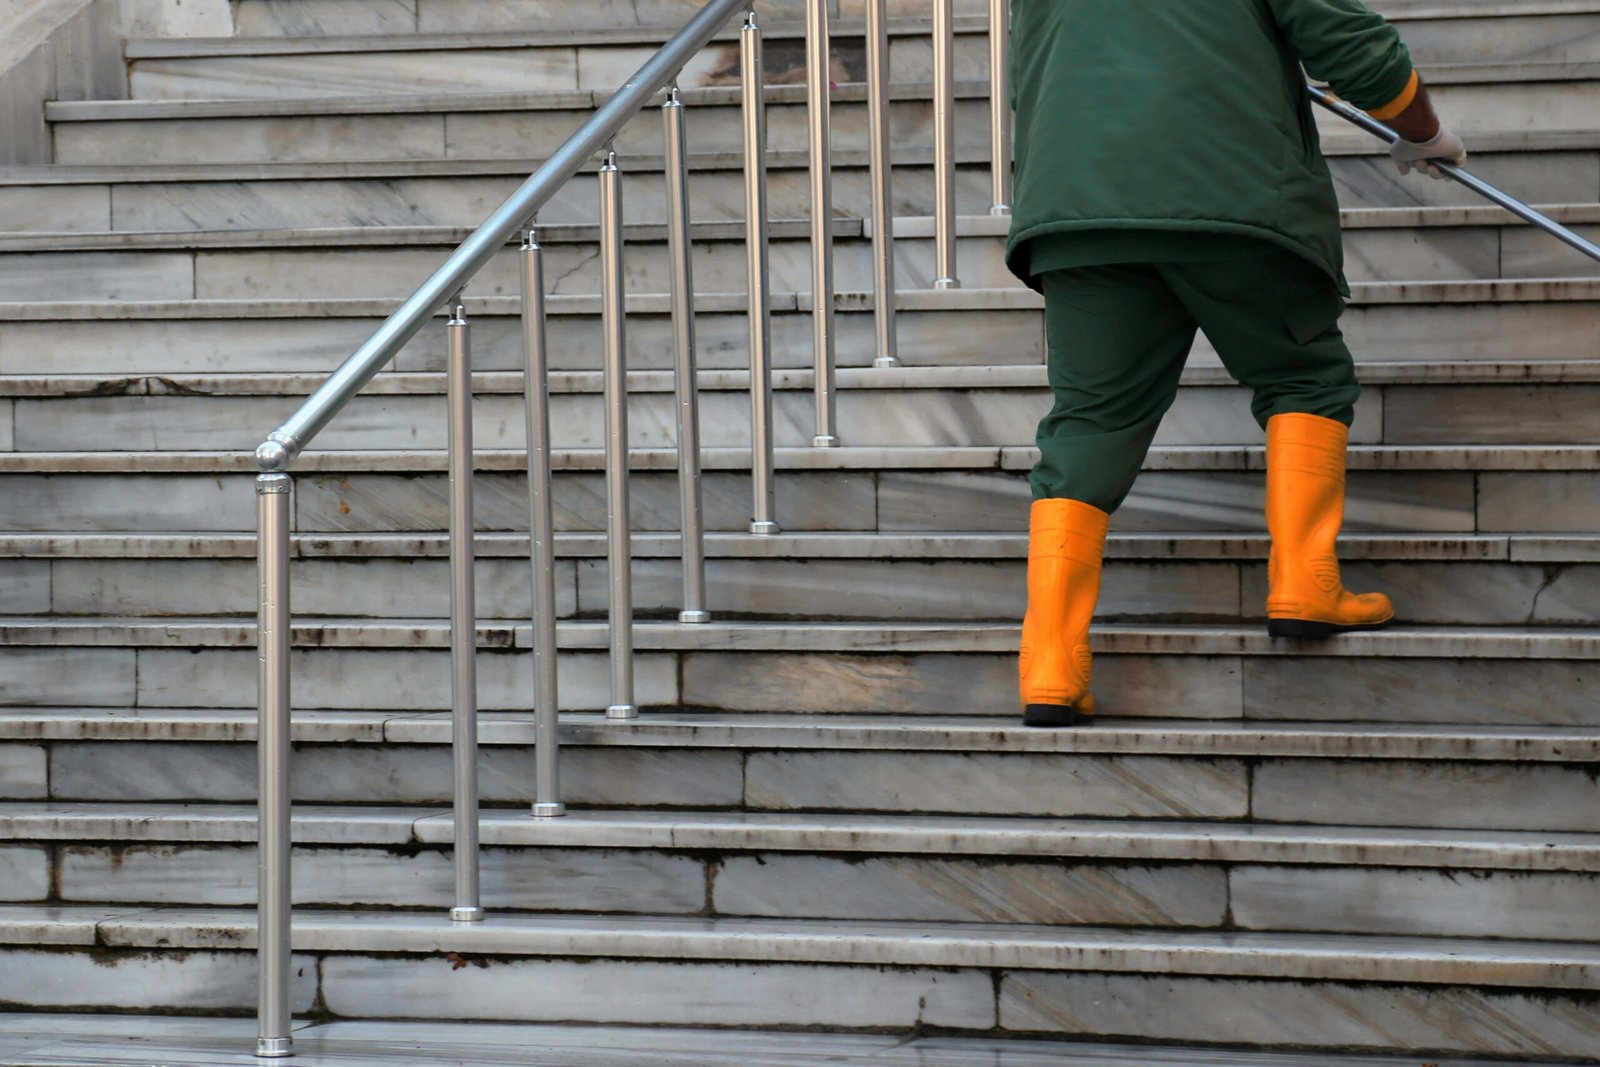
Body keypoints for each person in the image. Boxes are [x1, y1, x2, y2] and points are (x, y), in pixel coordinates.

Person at [1008, 0, 1468, 728]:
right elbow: (1352, 44)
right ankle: (1304, 582)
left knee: (1089, 425)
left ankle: (1051, 664)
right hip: (1230, 193)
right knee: (1304, 375)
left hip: (1080, 204)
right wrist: (1427, 133)